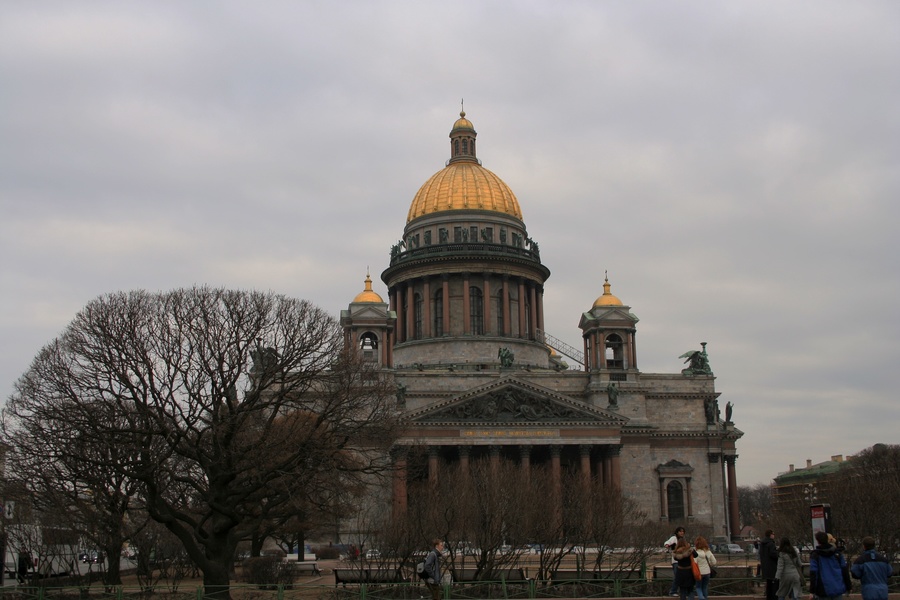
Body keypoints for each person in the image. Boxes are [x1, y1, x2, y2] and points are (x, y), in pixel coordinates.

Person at [809, 530, 850, 600]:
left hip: (823, 589)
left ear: (818, 541)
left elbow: (813, 573)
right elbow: (844, 570)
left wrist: (812, 591)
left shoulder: (815, 555)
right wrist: (848, 586)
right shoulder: (837, 554)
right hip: (837, 587)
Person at [664, 527, 687, 596]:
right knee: (677, 576)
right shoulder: (674, 538)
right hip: (676, 561)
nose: (682, 533)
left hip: (682, 560)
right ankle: (673, 591)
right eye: (680, 531)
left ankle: (682, 591)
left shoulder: (684, 539)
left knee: (682, 576)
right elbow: (667, 542)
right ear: (677, 532)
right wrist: (667, 545)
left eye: (683, 531)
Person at [760, 529, 779, 600]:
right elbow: (773, 554)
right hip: (772, 567)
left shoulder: (763, 544)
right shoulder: (771, 544)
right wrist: (778, 554)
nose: (774, 535)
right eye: (773, 534)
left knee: (769, 584)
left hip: (765, 567)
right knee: (774, 586)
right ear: (770, 535)